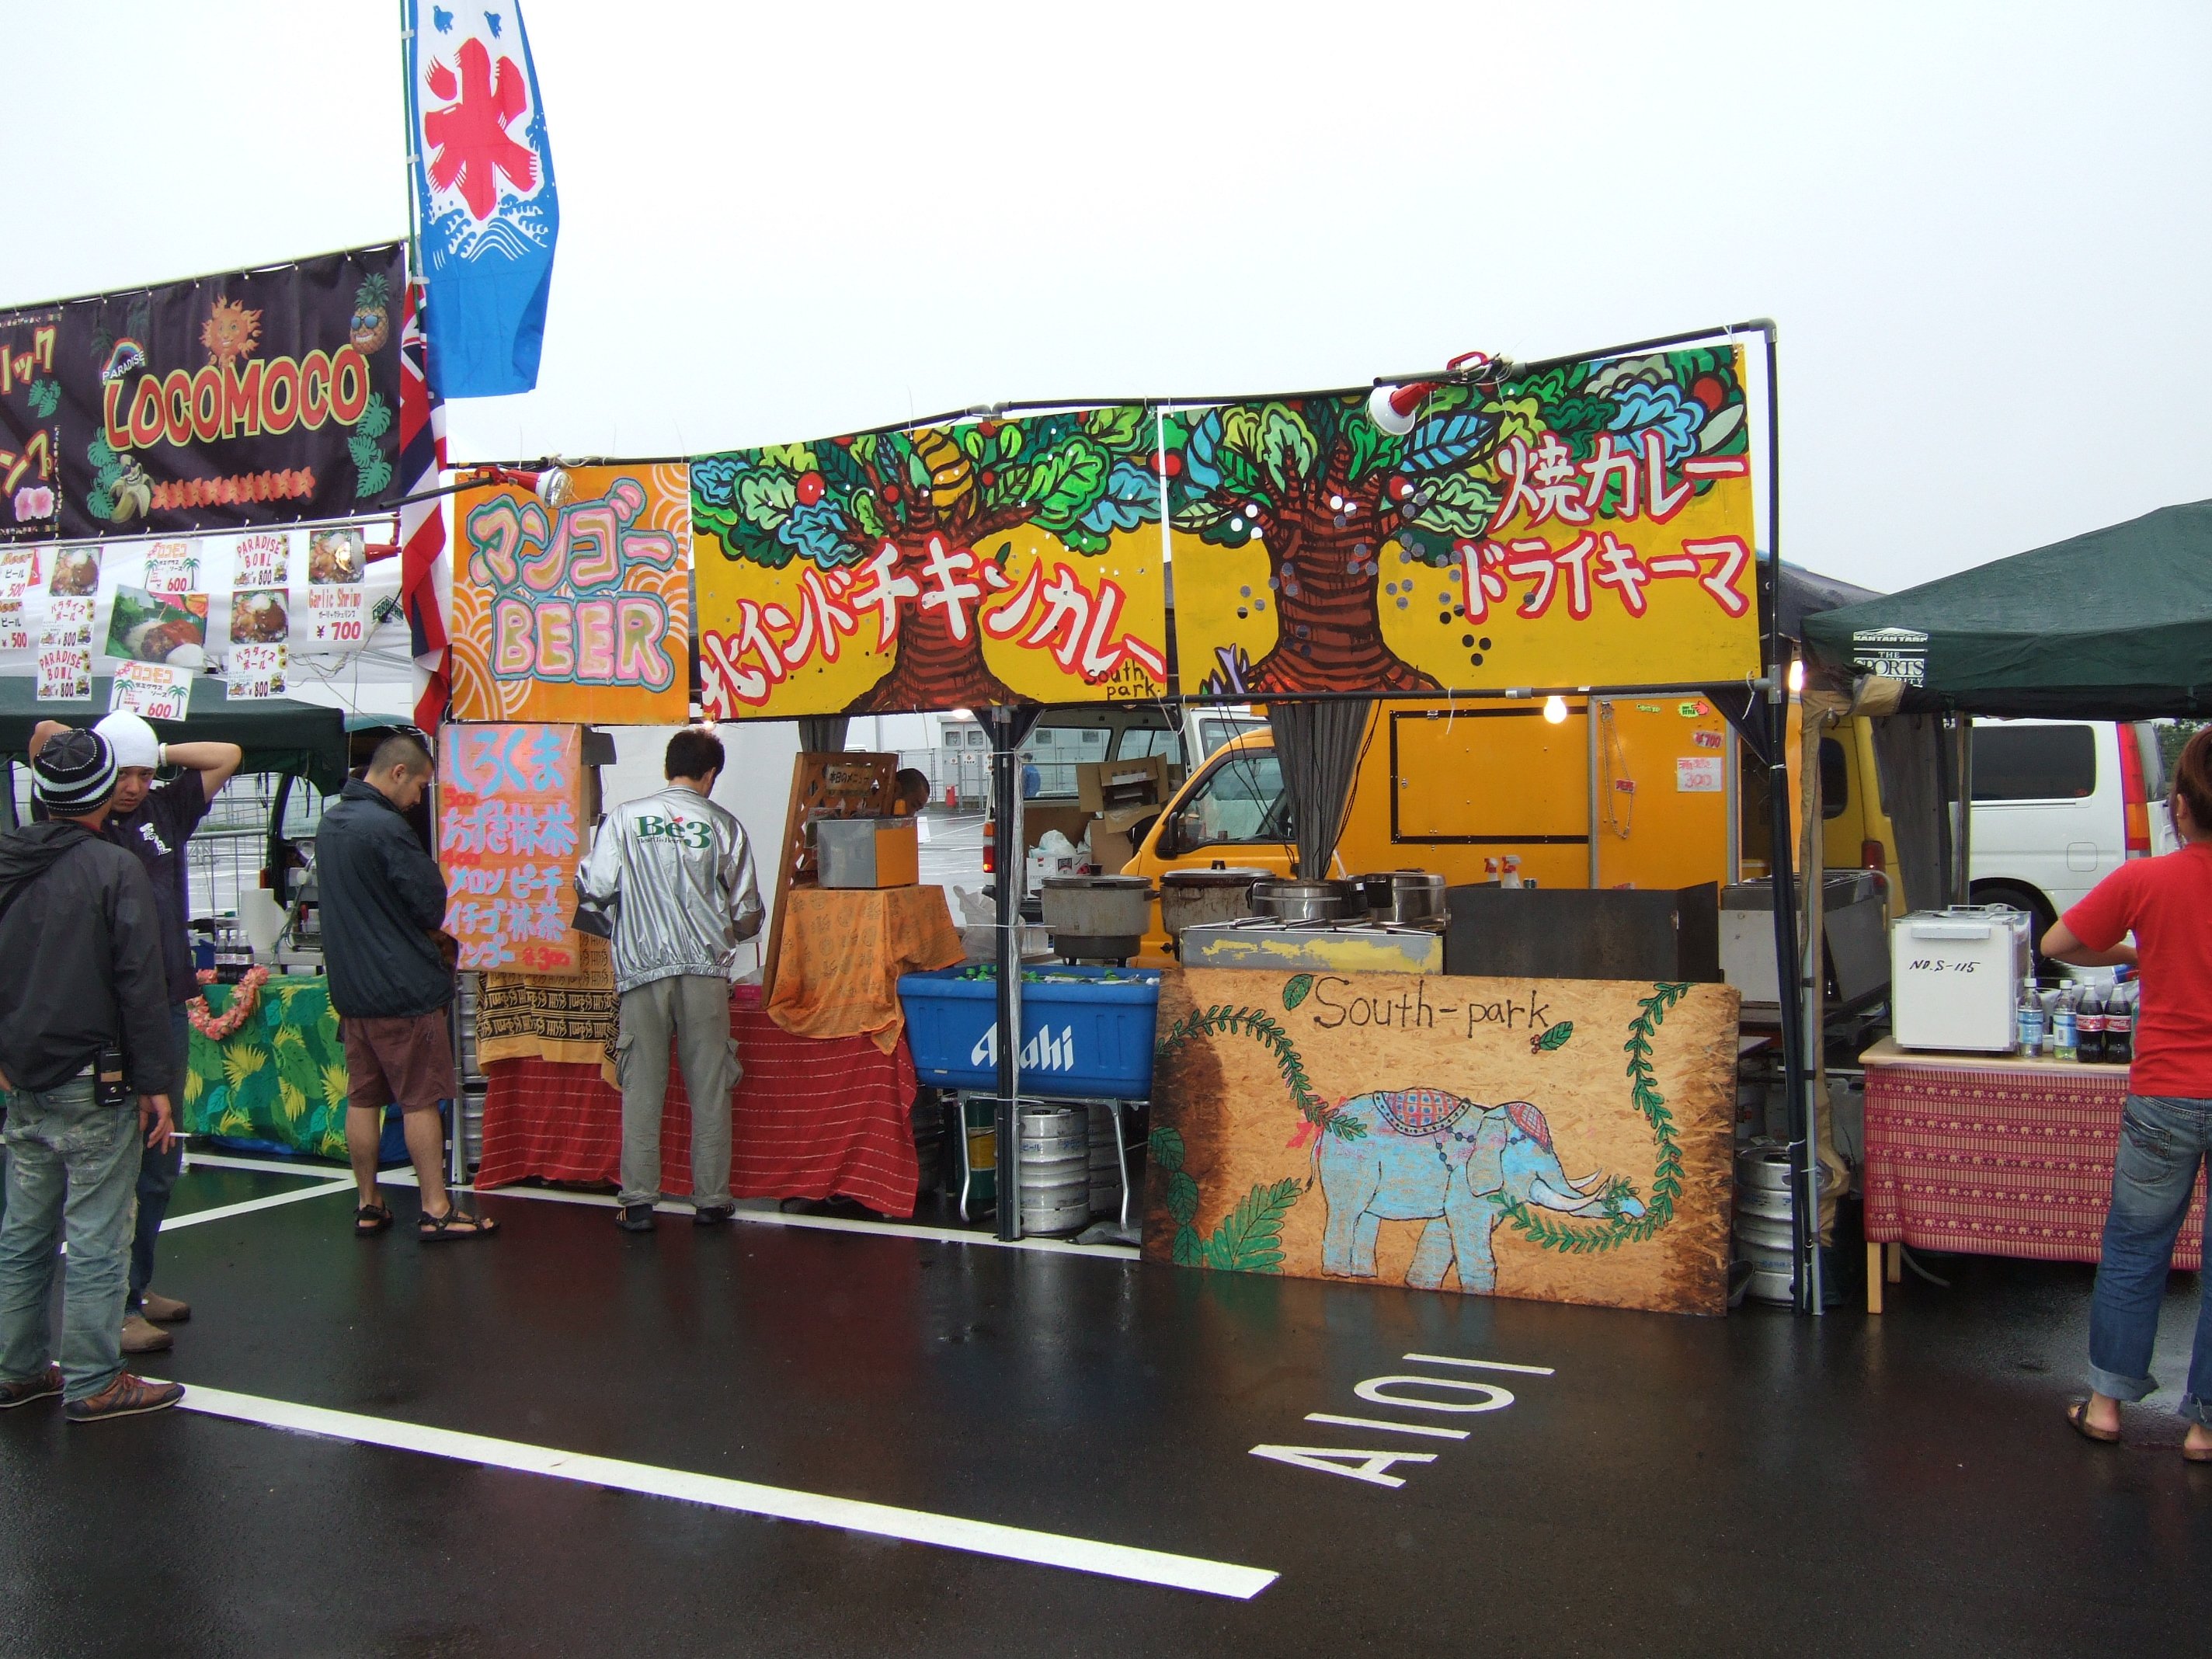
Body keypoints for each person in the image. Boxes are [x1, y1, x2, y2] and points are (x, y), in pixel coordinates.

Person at [30, 712, 242, 1358]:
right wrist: (103, 745)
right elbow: (43, 733)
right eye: (123, 773)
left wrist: (157, 748)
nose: (133, 786)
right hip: (107, 1013)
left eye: (144, 774)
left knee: (158, 1160)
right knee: (108, 1165)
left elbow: (228, 754)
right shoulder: (75, 822)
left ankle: (134, 1285)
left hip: (166, 1003)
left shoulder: (164, 810)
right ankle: (113, 1310)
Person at [0, 730, 183, 1422]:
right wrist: (155, 1082)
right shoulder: (113, 867)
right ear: (105, 792)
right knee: (99, 1232)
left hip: (24, 1073)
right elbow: (140, 982)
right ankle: (94, 1377)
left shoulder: (8, 859)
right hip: (95, 1075)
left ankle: (18, 1367)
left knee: (24, 1231)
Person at [2043, 725, 2212, 1461]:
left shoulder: (2149, 881)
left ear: (2181, 806)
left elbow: (2056, 944)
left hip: (2165, 1093)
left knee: (2136, 1249)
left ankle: (2108, 1405)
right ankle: (2205, 1425)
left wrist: (2135, 951)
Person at [576, 728, 763, 1233]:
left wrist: (628, 922)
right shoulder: (724, 824)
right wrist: (728, 928)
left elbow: (593, 891)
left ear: (667, 767)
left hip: (640, 971)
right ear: (710, 774)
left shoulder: (623, 820)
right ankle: (711, 1200)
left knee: (641, 1087)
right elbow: (748, 913)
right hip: (705, 972)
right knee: (711, 1085)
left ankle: (638, 1202)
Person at [317, 731, 496, 1241]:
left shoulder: (330, 824)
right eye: (419, 786)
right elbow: (431, 902)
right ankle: (436, 1207)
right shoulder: (387, 828)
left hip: (353, 992)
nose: (419, 798)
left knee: (363, 1098)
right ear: (398, 773)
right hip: (403, 989)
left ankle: (368, 1202)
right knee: (419, 1099)